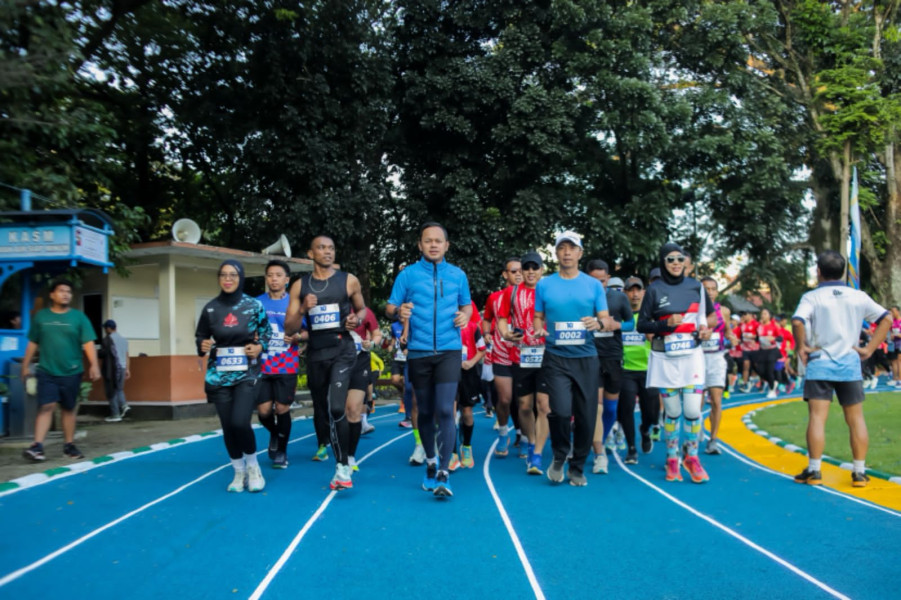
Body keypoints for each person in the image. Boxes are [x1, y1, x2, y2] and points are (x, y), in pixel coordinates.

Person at [791, 251, 891, 488]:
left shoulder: (812, 297)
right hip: (849, 363)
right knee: (855, 419)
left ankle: (814, 470)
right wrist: (869, 349)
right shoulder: (858, 296)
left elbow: (797, 321)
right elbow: (886, 318)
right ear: (844, 272)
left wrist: (801, 347)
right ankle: (859, 472)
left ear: (819, 271)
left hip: (820, 362)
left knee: (817, 417)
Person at [387, 222, 472, 498]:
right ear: (420, 245)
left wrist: (466, 316)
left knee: (446, 409)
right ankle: (431, 462)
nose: (433, 245)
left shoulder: (458, 275)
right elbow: (389, 307)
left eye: (438, 240)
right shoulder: (408, 275)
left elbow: (467, 305)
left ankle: (444, 473)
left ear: (446, 245)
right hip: (419, 352)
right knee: (424, 412)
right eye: (428, 241)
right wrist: (399, 310)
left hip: (449, 350)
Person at [285, 235, 368, 490]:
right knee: (323, 410)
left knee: (336, 408)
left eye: (331, 248)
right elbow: (289, 327)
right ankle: (339, 459)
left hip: (342, 349)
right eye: (321, 248)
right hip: (316, 354)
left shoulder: (348, 280)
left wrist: (356, 319)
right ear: (311, 254)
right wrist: (302, 310)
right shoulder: (300, 286)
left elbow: (363, 310)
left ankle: (342, 466)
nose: (328, 252)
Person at [533, 231, 613, 487]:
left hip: (587, 358)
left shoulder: (592, 285)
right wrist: (538, 327)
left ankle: (577, 467)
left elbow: (607, 320)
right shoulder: (544, 284)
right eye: (562, 248)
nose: (567, 252)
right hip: (556, 357)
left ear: (580, 253)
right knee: (560, 411)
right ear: (556, 253)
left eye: (572, 248)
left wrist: (598, 322)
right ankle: (559, 455)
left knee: (587, 415)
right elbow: (538, 317)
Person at [638, 243, 717, 484]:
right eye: (670, 259)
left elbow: (710, 316)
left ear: (686, 262)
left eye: (679, 259)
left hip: (692, 356)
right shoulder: (654, 290)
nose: (675, 263)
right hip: (665, 359)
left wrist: (706, 329)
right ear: (663, 262)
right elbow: (642, 326)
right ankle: (672, 457)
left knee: (693, 411)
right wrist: (665, 324)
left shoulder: (696, 287)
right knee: (672, 411)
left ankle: (691, 456)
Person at [195, 261, 270, 492]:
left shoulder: (254, 305)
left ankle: (253, 467)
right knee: (228, 426)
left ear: (241, 278)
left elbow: (266, 333)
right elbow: (201, 336)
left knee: (240, 421)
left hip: (247, 373)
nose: (228, 279)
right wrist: (202, 345)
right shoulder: (210, 308)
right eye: (224, 275)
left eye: (233, 275)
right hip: (219, 376)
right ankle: (238, 472)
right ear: (219, 278)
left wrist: (259, 347)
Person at [21, 280, 100, 461]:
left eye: (68, 292)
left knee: (68, 408)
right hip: (46, 370)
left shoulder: (79, 318)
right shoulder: (41, 317)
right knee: (46, 406)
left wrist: (94, 365)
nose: (65, 294)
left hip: (71, 371)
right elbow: (33, 342)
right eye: (61, 291)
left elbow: (88, 343)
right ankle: (37, 447)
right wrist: (25, 366)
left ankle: (69, 446)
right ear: (52, 295)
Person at [497, 250, 548, 475]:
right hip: (521, 356)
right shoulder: (512, 292)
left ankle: (536, 454)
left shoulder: (550, 290)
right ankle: (531, 441)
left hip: (547, 355)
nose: (529, 272)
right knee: (525, 406)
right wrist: (506, 334)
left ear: (541, 270)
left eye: (534, 267)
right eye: (526, 267)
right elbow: (501, 318)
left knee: (543, 406)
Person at [585, 263, 633, 471]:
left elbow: (632, 323)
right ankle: (598, 449)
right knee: (596, 406)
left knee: (611, 407)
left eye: (602, 281)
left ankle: (600, 438)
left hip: (613, 356)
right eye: (594, 280)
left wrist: (618, 325)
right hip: (590, 355)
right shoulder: (582, 298)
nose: (598, 284)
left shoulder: (619, 298)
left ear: (608, 279)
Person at [256, 260, 303, 469]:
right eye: (270, 275)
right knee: (264, 411)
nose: (273, 279)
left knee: (282, 408)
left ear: (286, 279)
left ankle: (282, 451)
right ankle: (274, 433)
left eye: (278, 275)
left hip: (286, 364)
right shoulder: (256, 303)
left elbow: (308, 332)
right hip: (262, 365)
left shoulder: (295, 305)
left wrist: (297, 338)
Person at [482, 257, 523, 457]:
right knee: (505, 399)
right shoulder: (494, 298)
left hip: (525, 353)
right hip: (501, 353)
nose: (518, 274)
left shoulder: (532, 295)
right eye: (513, 271)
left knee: (524, 401)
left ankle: (524, 437)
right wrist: (487, 333)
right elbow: (487, 319)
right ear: (505, 274)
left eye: (520, 271)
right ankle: (503, 433)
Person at [618, 276, 660, 461]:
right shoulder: (620, 316)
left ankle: (645, 429)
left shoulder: (651, 316)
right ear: (625, 293)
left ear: (644, 292)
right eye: (631, 290)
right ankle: (632, 448)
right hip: (626, 370)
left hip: (649, 370)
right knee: (626, 408)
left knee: (651, 412)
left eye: (638, 290)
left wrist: (655, 336)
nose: (635, 294)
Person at [699, 277, 738, 455]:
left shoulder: (724, 311)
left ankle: (713, 440)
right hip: (697, 358)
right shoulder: (694, 310)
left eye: (713, 289)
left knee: (716, 400)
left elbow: (728, 331)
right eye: (706, 289)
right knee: (696, 405)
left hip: (716, 358)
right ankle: (696, 429)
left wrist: (731, 337)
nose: (710, 292)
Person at [347, 306, 381, 470]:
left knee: (353, 409)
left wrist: (372, 343)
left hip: (359, 362)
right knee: (337, 411)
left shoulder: (366, 311)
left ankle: (349, 456)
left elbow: (377, 333)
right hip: (334, 362)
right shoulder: (331, 306)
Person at [100, 319, 130, 422]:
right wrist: (127, 369)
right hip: (122, 367)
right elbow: (126, 356)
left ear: (108, 328)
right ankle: (124, 405)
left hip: (113, 368)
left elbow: (104, 353)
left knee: (111, 390)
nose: (105, 330)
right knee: (119, 389)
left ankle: (115, 414)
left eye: (105, 328)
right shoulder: (123, 340)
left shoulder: (108, 339)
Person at [755, 308, 782, 398]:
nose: (763, 315)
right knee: (761, 371)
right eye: (762, 313)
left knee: (770, 370)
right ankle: (773, 381)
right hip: (762, 350)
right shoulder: (759, 326)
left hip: (772, 351)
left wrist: (773, 338)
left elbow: (780, 338)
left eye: (765, 314)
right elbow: (757, 338)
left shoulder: (774, 326)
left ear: (770, 316)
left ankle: (772, 390)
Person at [888, 305, 901, 387]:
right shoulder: (892, 322)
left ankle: (900, 380)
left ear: (898, 311)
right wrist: (892, 335)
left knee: (899, 361)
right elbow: (890, 332)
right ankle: (894, 378)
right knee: (894, 361)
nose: (891, 313)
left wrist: (898, 335)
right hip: (893, 343)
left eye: (893, 311)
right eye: (891, 311)